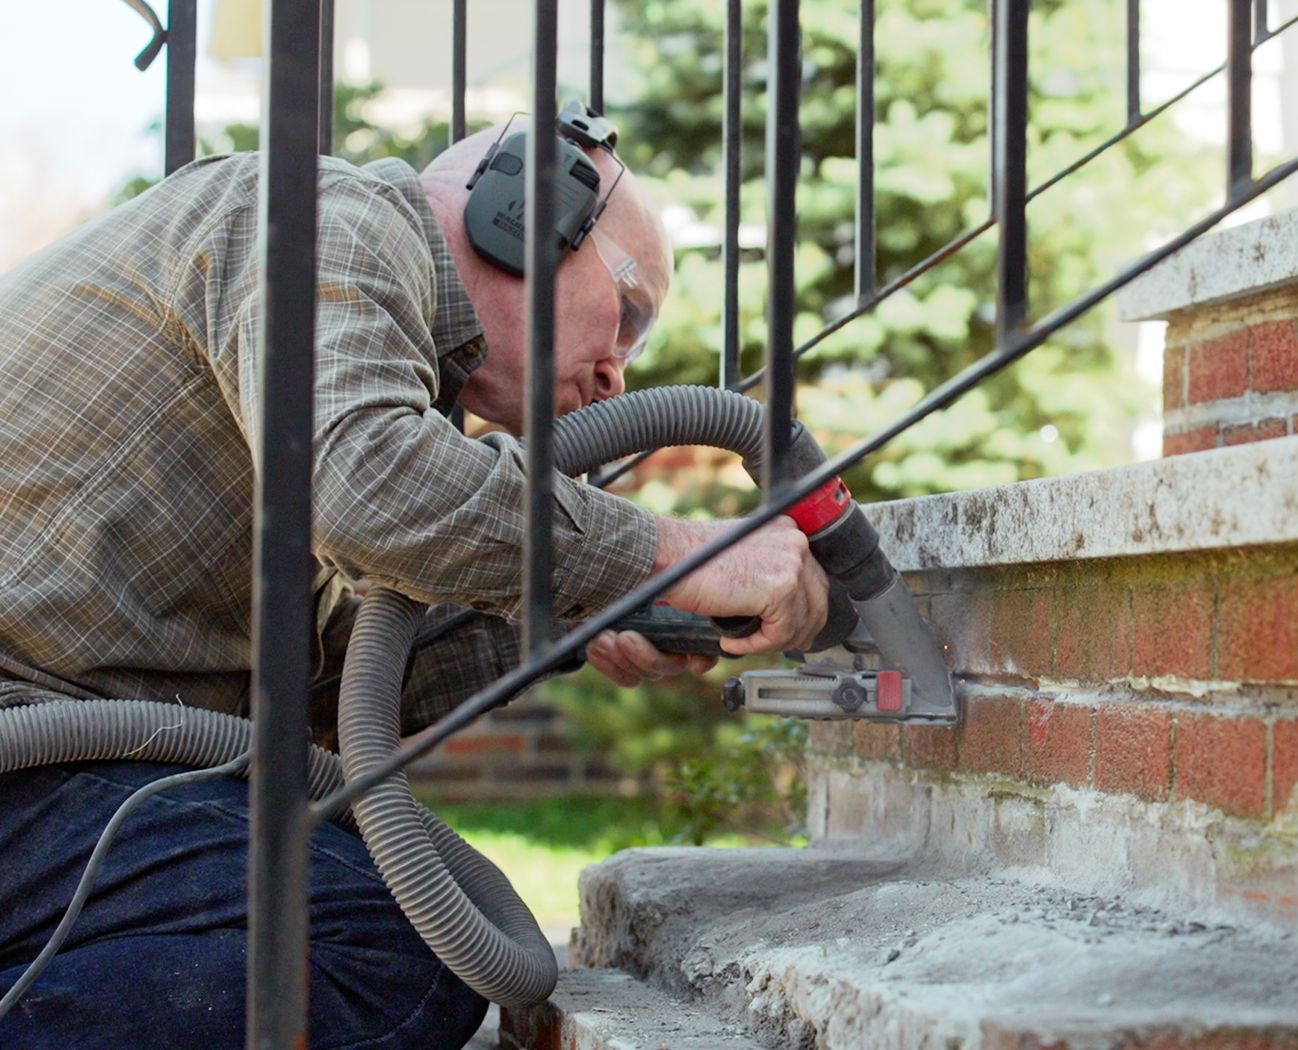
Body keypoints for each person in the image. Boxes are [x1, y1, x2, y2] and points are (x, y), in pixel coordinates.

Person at [0, 118, 828, 1048]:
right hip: (26, 760)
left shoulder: (367, 351)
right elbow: (369, 483)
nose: (614, 374)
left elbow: (327, 685)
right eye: (628, 318)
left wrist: (566, 617)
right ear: (529, 213)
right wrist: (672, 547)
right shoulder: (331, 216)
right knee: (385, 950)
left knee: (373, 916)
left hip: (60, 767)